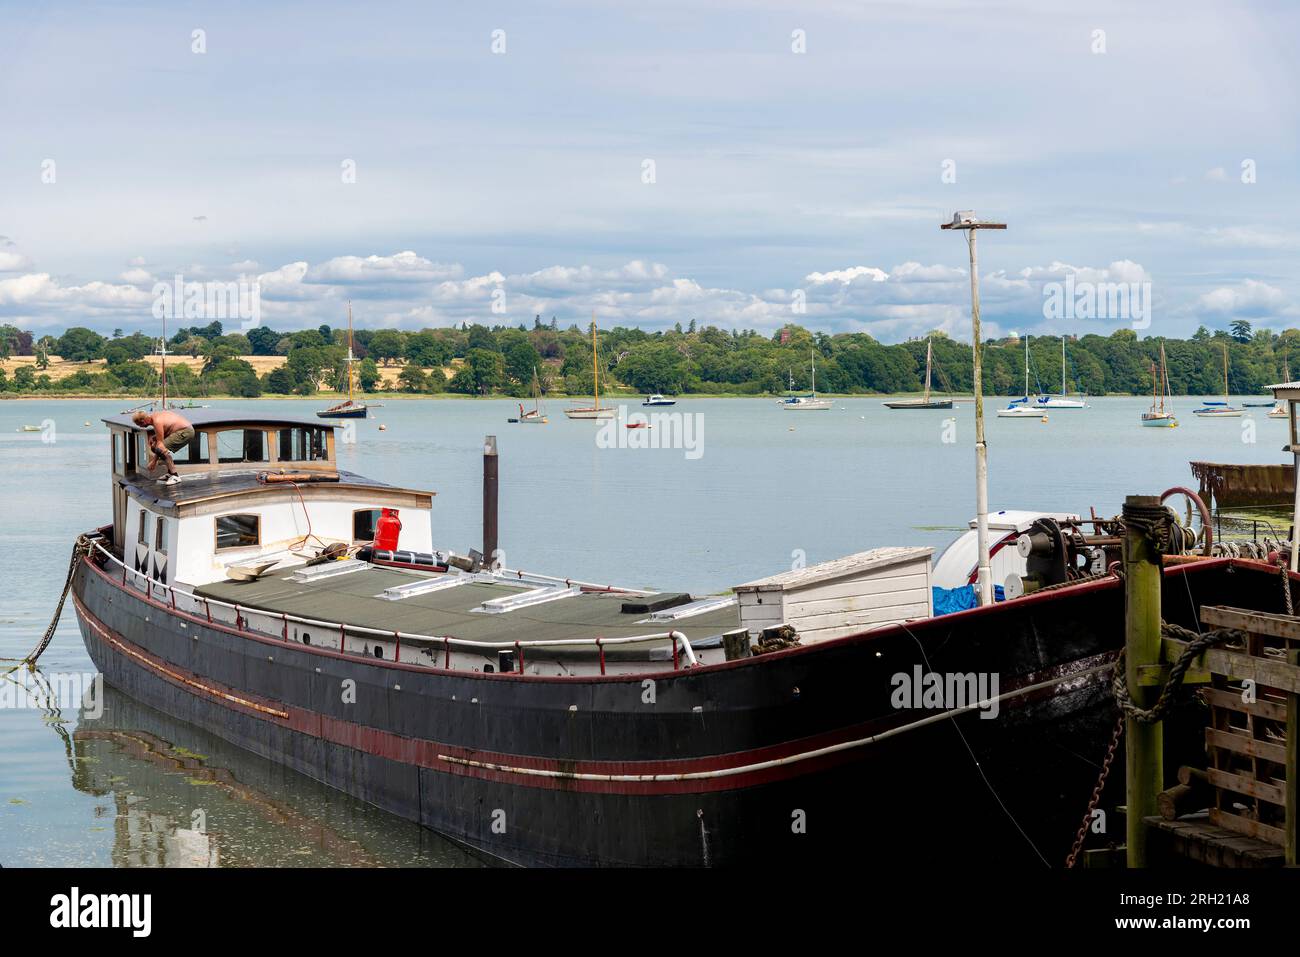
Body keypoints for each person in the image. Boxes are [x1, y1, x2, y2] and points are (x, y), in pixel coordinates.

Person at [131, 410, 195, 485]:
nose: (140, 427)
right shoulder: (155, 416)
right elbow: (167, 430)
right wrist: (155, 437)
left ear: (143, 421)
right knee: (154, 447)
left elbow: (160, 445)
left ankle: (175, 476)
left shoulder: (157, 421)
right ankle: (170, 473)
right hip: (181, 430)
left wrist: (153, 462)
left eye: (139, 425)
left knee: (160, 448)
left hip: (185, 432)